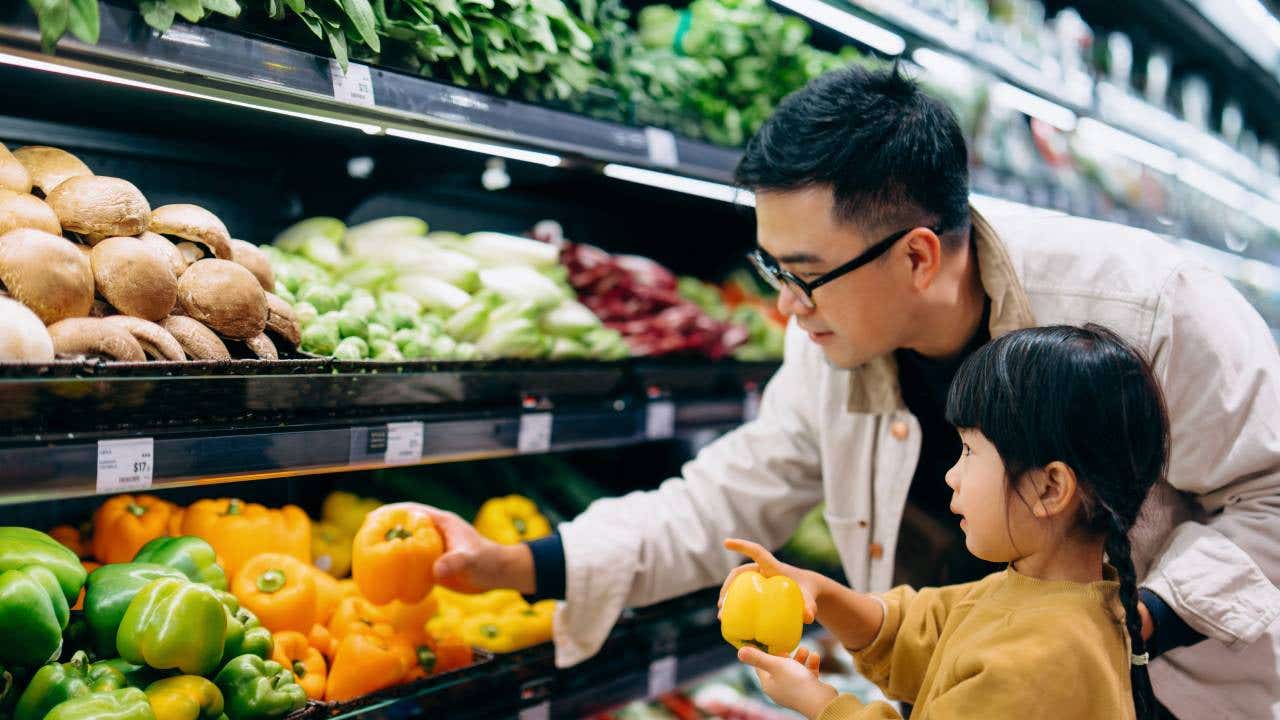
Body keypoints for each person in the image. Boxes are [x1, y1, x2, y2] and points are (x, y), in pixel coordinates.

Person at [421, 65, 1280, 718]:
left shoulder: (1148, 305)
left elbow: (1272, 494)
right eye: (771, 267)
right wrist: (522, 564)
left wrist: (1143, 618)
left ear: (916, 256)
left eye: (804, 274)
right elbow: (727, 495)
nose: (785, 305)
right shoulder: (835, 340)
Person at [723, 324, 1167, 720]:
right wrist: (819, 591)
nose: (952, 475)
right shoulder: (1041, 595)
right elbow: (923, 630)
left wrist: (820, 705)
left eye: (971, 452)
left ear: (1050, 488)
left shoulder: (1037, 662)